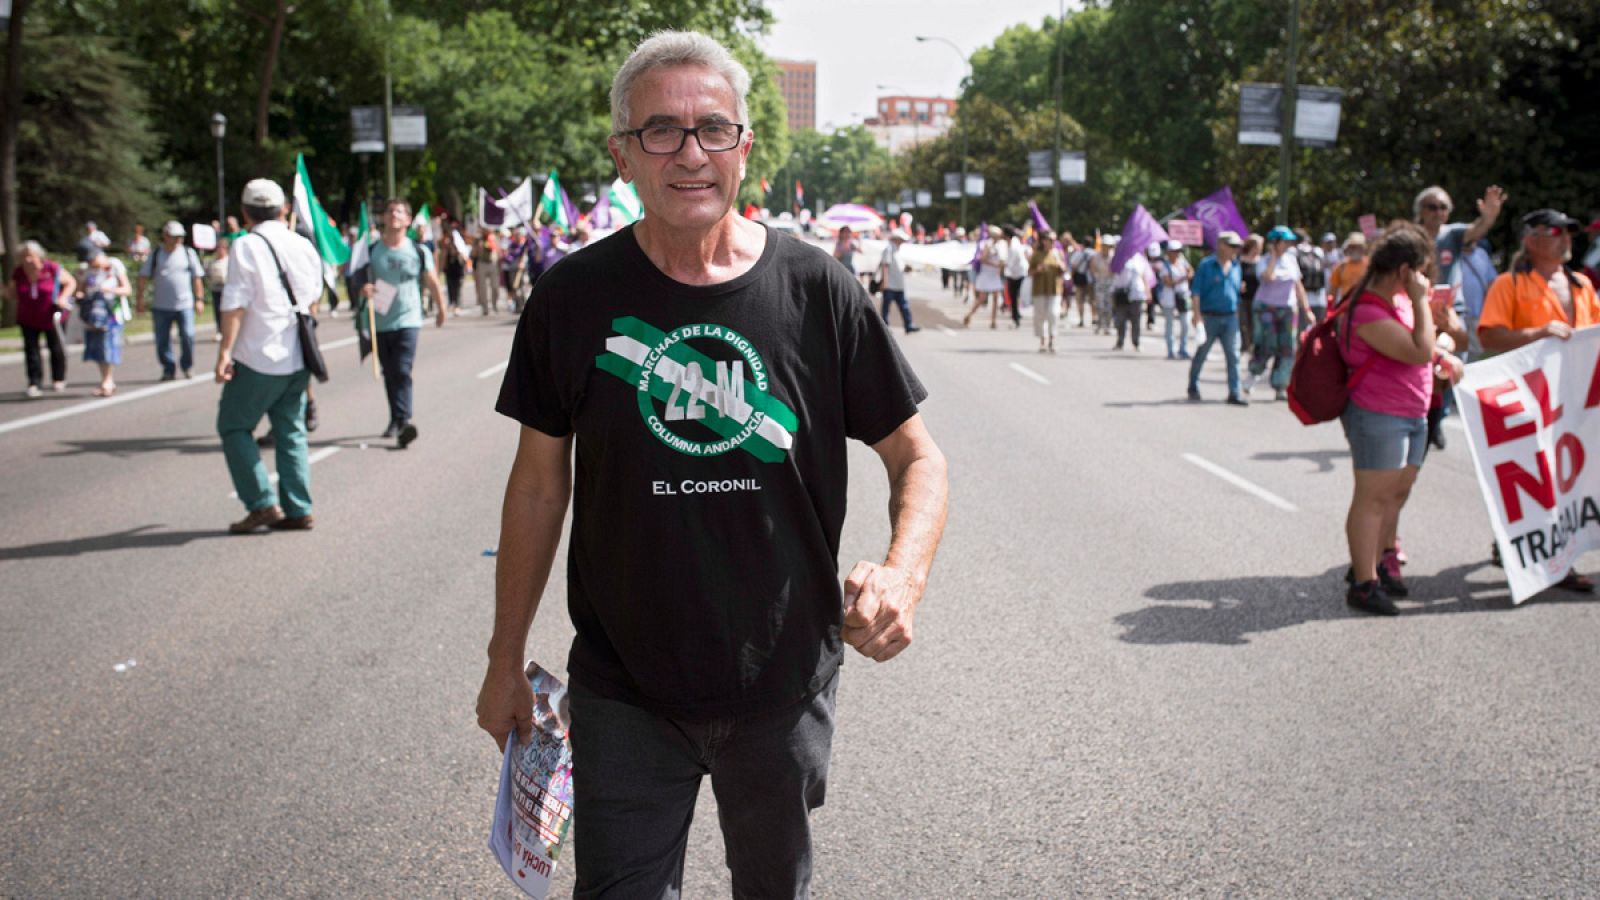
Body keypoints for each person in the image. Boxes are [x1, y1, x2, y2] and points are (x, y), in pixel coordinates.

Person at [476, 31, 948, 897]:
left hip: (781, 683)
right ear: (622, 154)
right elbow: (540, 486)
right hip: (623, 689)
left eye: (713, 130)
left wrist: (904, 574)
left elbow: (916, 456)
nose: (690, 153)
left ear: (745, 149)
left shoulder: (820, 291)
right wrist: (506, 657)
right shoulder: (572, 298)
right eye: (660, 131)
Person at [1338, 222, 1464, 616]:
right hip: (1379, 415)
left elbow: (1431, 347)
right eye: (1423, 270)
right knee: (1372, 498)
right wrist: (1424, 305)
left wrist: (1444, 352)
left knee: (1396, 493)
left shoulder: (1401, 300)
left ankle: (1378, 560)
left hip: (1413, 411)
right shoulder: (1369, 309)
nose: (1427, 279)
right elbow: (1416, 349)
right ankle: (1363, 583)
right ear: (1406, 271)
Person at [1476, 208, 1599, 593]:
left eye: (1568, 233)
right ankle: (1532, 550)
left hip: (1575, 401)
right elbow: (1490, 337)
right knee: (1532, 477)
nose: (1566, 239)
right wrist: (1539, 333)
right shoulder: (1508, 284)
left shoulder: (1581, 284)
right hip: (1528, 402)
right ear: (1530, 240)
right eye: (1555, 232)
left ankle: (1552, 552)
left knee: (1568, 478)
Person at [214, 179, 323, 534]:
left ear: (244, 212)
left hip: (260, 355)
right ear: (282, 210)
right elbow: (314, 296)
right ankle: (298, 507)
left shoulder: (246, 246)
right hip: (297, 354)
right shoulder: (301, 243)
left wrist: (224, 353)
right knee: (290, 432)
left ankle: (261, 503)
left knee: (233, 426)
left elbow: (234, 304)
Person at [358, 198, 446, 447]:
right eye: (389, 211)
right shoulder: (373, 250)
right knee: (389, 372)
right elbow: (359, 279)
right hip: (381, 320)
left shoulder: (418, 250)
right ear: (384, 218)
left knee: (402, 369)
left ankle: (405, 420)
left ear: (408, 220)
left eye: (399, 211)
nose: (394, 214)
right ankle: (396, 418)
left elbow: (431, 280)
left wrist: (440, 308)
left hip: (409, 318)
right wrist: (363, 290)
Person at [1244, 226, 1311, 401]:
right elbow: (1268, 277)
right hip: (1266, 307)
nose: (1288, 245)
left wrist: (1307, 309)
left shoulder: (1291, 260)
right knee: (1267, 343)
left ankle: (1281, 384)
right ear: (1274, 243)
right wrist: (1274, 256)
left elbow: (1298, 285)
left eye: (1289, 242)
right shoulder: (1264, 260)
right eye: (1284, 242)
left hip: (1287, 308)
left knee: (1287, 347)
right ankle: (1254, 373)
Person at [137, 220, 206, 380]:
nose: (177, 240)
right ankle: (168, 368)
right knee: (162, 340)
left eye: (180, 237)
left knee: (188, 335)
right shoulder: (156, 254)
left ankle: (187, 365)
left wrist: (199, 299)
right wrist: (140, 298)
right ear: (166, 236)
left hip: (184, 304)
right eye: (174, 237)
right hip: (161, 306)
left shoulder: (188, 253)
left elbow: (197, 278)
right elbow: (143, 276)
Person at [1186, 230, 1246, 405]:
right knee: (1202, 353)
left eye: (1237, 246)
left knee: (1233, 356)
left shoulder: (1236, 266)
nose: (1235, 250)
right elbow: (1196, 291)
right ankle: (1193, 386)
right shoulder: (1206, 265)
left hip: (1230, 317)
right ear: (1221, 245)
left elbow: (1236, 292)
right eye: (1232, 246)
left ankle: (1234, 392)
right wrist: (1197, 315)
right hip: (1209, 316)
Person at [11, 240, 77, 397]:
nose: (27, 260)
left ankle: (58, 378)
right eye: (24, 256)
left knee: (55, 347)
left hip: (50, 315)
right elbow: (12, 292)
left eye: (30, 256)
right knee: (31, 350)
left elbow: (71, 283)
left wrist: (63, 298)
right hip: (27, 317)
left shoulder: (51, 268)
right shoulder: (19, 272)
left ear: (38, 256)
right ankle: (34, 382)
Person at [78, 249, 131, 396]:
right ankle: (106, 380)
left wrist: (110, 289)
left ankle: (107, 381)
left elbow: (127, 289)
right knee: (97, 348)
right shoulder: (86, 271)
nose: (91, 263)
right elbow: (80, 290)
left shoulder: (114, 266)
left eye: (92, 259)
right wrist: (81, 296)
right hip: (93, 315)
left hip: (112, 314)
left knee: (108, 346)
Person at [1111, 242, 1155, 351]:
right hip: (1122, 293)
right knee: (1121, 320)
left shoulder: (1140, 259)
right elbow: (1113, 272)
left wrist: (1148, 292)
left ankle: (1136, 342)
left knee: (1136, 320)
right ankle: (1120, 342)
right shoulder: (1119, 258)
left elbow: (1144, 276)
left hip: (1137, 294)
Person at [1155, 239, 1193, 359]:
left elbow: (1191, 271)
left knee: (1185, 324)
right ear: (1168, 252)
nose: (1176, 253)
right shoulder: (1165, 266)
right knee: (1170, 325)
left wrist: (1188, 275)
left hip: (1183, 296)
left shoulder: (1183, 262)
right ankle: (1171, 350)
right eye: (1174, 251)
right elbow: (1168, 282)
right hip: (1170, 298)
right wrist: (1182, 278)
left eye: (1178, 251)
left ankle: (1183, 348)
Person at [1029, 230, 1065, 353]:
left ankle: (1052, 340)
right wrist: (1037, 270)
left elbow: (1064, 270)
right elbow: (1030, 272)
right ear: (1044, 241)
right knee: (1040, 315)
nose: (1052, 243)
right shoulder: (1037, 255)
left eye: (1054, 240)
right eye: (1050, 240)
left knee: (1053, 314)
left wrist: (1060, 264)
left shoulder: (1058, 253)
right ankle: (1042, 340)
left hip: (1055, 289)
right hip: (1039, 289)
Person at [877, 229, 918, 333]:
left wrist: (907, 268)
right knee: (886, 307)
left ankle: (908, 325)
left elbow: (899, 267)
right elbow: (885, 266)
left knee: (904, 306)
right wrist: (884, 282)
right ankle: (885, 326)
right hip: (890, 284)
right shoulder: (889, 249)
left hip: (899, 284)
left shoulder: (898, 251)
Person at [965, 227, 1007, 328]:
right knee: (982, 299)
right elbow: (983, 259)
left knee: (996, 298)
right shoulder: (987, 244)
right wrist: (995, 265)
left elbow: (1002, 259)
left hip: (994, 275)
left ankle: (993, 321)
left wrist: (1000, 267)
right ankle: (969, 315)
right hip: (986, 274)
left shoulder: (1001, 245)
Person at [1327, 232, 1368, 307]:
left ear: (1362, 248)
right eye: (1351, 246)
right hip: (1346, 310)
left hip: (1367, 307)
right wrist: (1332, 311)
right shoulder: (1341, 266)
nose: (1353, 249)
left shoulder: (1370, 265)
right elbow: (1332, 292)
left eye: (1356, 246)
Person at [1237, 234, 1262, 354]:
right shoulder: (1241, 260)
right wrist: (1239, 283)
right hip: (1243, 297)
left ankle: (1253, 345)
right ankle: (1245, 345)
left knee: (1255, 323)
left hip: (1257, 297)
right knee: (1243, 322)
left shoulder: (1261, 261)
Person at [1002, 225, 1029, 328]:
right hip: (1015, 272)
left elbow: (1011, 262)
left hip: (1017, 273)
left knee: (1013, 295)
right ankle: (1015, 316)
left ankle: (1016, 318)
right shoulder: (1012, 243)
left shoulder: (1013, 246)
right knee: (1013, 295)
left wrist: (1003, 267)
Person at [205, 236, 231, 341]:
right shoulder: (212, 261)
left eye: (222, 248)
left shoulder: (230, 260)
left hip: (227, 289)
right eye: (218, 248)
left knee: (228, 311)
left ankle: (228, 331)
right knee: (217, 311)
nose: (220, 250)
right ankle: (219, 331)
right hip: (216, 289)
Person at [471, 227, 501, 314]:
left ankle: (494, 304)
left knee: (495, 287)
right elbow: (473, 253)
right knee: (482, 288)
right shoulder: (478, 239)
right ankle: (485, 308)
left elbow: (499, 251)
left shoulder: (494, 237)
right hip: (482, 263)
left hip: (493, 263)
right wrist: (477, 247)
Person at [1090, 236, 1115, 335]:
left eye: (1108, 246)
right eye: (1105, 246)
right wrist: (1096, 275)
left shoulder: (1113, 256)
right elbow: (1092, 267)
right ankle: (1100, 323)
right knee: (1100, 304)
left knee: (1109, 306)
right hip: (1100, 282)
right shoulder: (1097, 256)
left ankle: (1107, 326)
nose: (1106, 248)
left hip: (1110, 283)